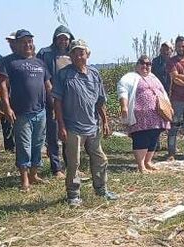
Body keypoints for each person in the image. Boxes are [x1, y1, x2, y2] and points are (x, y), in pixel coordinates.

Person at [53, 39, 117, 207]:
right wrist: (61, 126)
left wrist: (105, 121)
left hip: (93, 125)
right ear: (70, 55)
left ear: (87, 54)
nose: (78, 56)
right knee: (74, 162)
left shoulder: (95, 74)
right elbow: (57, 101)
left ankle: (101, 188)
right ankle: (73, 194)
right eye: (74, 52)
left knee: (100, 158)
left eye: (81, 52)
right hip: (73, 126)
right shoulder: (64, 74)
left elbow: (100, 101)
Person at [0, 29, 52, 192]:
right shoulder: (9, 62)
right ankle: (24, 180)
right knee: (23, 146)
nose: (27, 45)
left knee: (37, 144)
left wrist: (55, 105)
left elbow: (48, 86)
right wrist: (6, 107)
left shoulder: (40, 63)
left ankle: (34, 175)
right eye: (23, 42)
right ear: (17, 44)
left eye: (29, 42)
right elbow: (3, 86)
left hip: (40, 111)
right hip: (21, 112)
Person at [118, 55, 171, 172]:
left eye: (148, 64)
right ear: (137, 65)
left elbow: (163, 92)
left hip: (156, 116)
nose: (145, 66)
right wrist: (124, 106)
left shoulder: (153, 77)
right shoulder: (130, 77)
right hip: (140, 116)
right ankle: (141, 165)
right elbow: (122, 91)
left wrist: (169, 106)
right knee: (141, 137)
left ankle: (148, 162)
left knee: (153, 136)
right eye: (142, 63)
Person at [37, 25, 76, 179]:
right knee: (53, 134)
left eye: (66, 38)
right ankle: (56, 168)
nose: (63, 41)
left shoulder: (73, 55)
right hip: (51, 99)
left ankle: (71, 165)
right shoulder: (45, 54)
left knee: (70, 134)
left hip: (70, 101)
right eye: (60, 38)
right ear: (55, 39)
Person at [151, 41, 174, 151]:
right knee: (157, 119)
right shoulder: (155, 62)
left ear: (171, 51)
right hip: (158, 95)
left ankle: (171, 146)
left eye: (168, 49)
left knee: (171, 119)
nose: (165, 51)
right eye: (163, 49)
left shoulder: (174, 62)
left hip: (173, 95)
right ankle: (156, 144)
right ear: (160, 50)